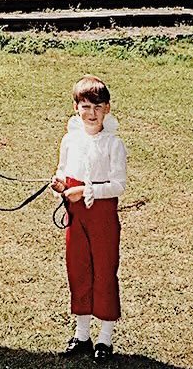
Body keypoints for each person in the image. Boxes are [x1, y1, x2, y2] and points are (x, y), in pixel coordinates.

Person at [51, 75, 127, 361]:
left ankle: (104, 339)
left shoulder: (113, 143)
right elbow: (61, 170)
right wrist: (60, 186)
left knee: (104, 270)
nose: (91, 113)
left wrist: (84, 190)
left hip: (102, 214)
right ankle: (82, 335)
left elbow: (118, 185)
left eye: (97, 106)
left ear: (107, 108)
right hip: (76, 215)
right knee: (78, 268)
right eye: (85, 106)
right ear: (76, 108)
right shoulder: (70, 139)